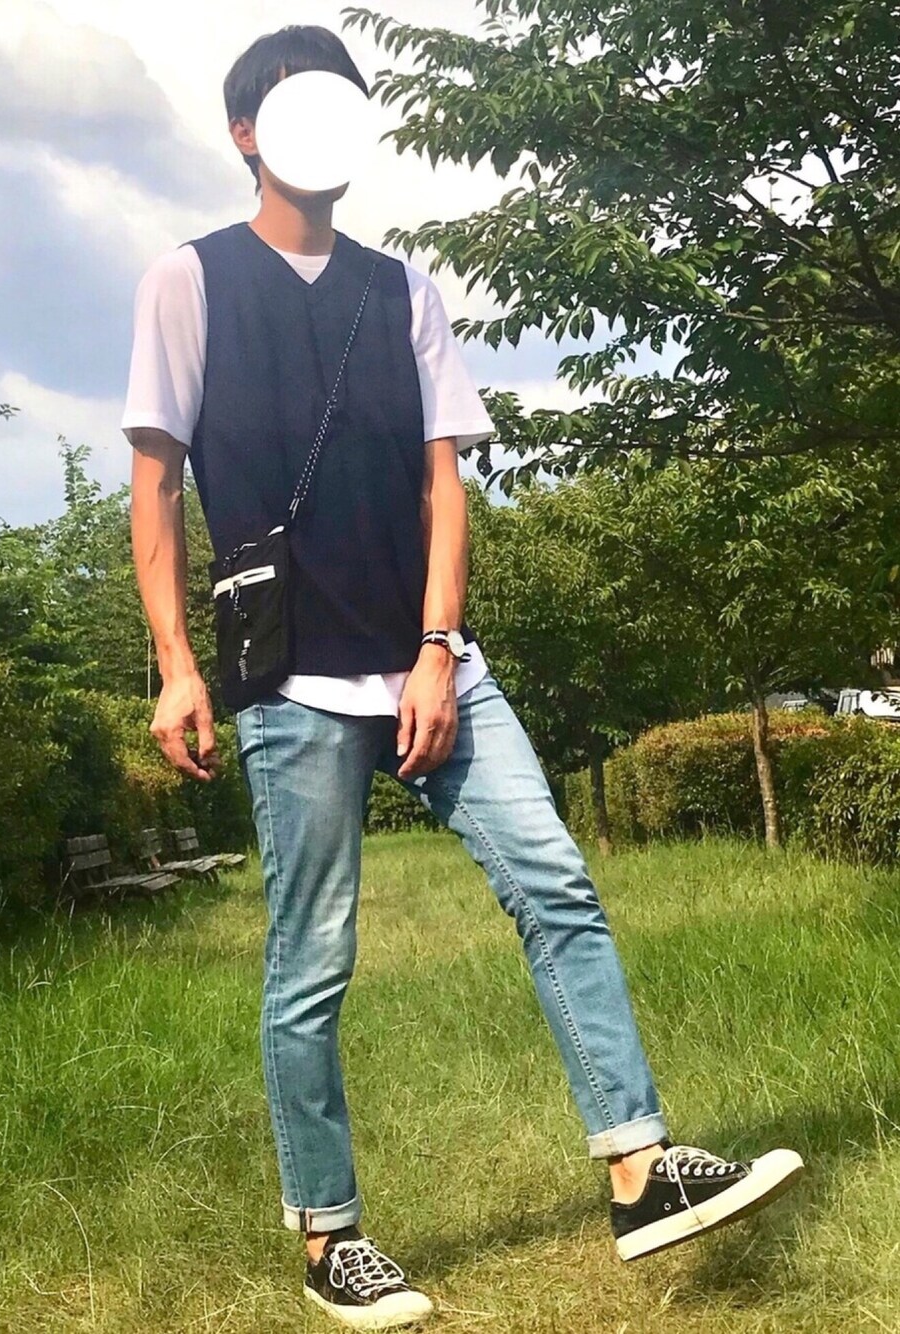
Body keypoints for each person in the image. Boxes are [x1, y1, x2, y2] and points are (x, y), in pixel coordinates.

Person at [123, 24, 804, 1331]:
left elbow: (446, 486)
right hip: (292, 680)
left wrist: (438, 649)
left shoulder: (405, 292)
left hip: (433, 663)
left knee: (555, 882)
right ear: (248, 134)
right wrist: (174, 665)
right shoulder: (188, 281)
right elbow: (153, 486)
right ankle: (329, 1234)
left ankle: (640, 1168)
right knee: (313, 957)